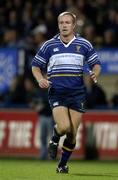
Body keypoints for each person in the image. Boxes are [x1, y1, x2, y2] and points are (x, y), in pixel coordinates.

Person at [31, 11, 101, 173]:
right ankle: (54, 139)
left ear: (74, 25)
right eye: (61, 22)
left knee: (72, 134)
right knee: (63, 127)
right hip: (57, 92)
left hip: (77, 94)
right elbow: (35, 66)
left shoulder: (84, 44)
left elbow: (96, 64)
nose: (64, 25)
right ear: (58, 25)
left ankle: (62, 165)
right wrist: (40, 78)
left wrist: (94, 73)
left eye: (67, 22)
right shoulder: (49, 45)